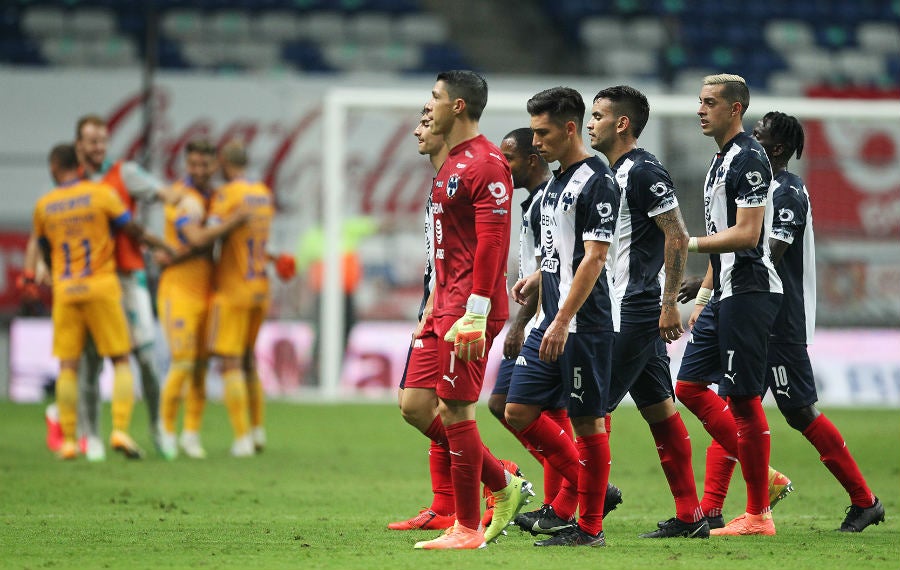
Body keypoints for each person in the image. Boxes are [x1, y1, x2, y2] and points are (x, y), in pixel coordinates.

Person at [698, 112, 884, 533]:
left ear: (777, 148)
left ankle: (865, 501)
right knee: (735, 404)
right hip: (751, 313)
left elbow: (768, 254)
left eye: (759, 135)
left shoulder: (787, 190)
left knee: (798, 411)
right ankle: (711, 509)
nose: (751, 139)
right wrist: (708, 283)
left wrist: (720, 273)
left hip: (778, 319)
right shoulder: (756, 187)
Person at [412, 70, 532, 550]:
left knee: (456, 409)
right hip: (446, 304)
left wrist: (477, 312)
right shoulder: (453, 162)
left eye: (436, 97)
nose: (429, 105)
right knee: (420, 404)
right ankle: (501, 483)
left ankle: (466, 526)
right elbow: (448, 244)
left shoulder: (486, 163)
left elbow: (492, 244)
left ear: (457, 105)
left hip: (470, 308)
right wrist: (433, 300)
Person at [585, 85, 708, 539]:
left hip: (635, 307)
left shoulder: (643, 170)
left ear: (622, 123)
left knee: (590, 406)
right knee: (659, 409)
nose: (590, 124)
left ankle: (582, 510)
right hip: (628, 305)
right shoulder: (611, 172)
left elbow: (677, 235)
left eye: (598, 115)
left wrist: (668, 303)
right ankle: (691, 516)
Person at [504, 86, 620, 547]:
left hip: (582, 324)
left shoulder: (598, 180)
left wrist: (563, 319)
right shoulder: (555, 184)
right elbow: (562, 253)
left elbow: (595, 257)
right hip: (551, 318)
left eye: (543, 133)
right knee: (517, 410)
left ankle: (590, 528)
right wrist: (538, 278)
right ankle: (595, 490)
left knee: (588, 423)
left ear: (570, 128)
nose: (535, 143)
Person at [676, 74, 783, 536]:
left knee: (741, 398)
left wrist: (687, 244)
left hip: (751, 290)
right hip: (724, 291)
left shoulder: (750, 158)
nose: (701, 110)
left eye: (710, 103)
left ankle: (758, 514)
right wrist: (703, 295)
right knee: (689, 386)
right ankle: (765, 475)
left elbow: (748, 233)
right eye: (700, 101)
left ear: (735, 109)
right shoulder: (719, 160)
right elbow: (724, 239)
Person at [24, 143, 168, 460]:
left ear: (53, 168)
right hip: (102, 286)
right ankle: (120, 430)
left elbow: (45, 248)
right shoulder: (101, 194)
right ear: (79, 166)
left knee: (68, 366)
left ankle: (69, 441)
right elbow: (130, 229)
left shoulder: (45, 205)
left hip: (66, 290)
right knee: (120, 360)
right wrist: (161, 245)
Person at [75, 114, 173, 458]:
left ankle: (158, 427)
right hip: (91, 282)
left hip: (129, 277)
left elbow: (162, 192)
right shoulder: (71, 184)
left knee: (146, 357)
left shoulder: (125, 173)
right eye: (92, 141)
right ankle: (91, 436)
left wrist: (181, 200)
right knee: (91, 360)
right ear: (79, 145)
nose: (98, 147)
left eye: (103, 140)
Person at [156, 139, 247, 460]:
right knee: (182, 362)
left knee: (201, 367)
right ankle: (165, 431)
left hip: (208, 289)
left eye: (205, 164)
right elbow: (195, 239)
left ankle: (191, 434)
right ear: (186, 164)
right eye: (193, 164)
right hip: (178, 290)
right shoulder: (182, 197)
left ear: (214, 165)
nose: (199, 170)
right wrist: (233, 222)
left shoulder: (217, 197)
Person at [388, 107, 455, 531]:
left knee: (419, 406)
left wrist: (438, 304)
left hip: (452, 307)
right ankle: (444, 506)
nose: (417, 131)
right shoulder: (439, 181)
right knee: (423, 405)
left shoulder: (461, 179)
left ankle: (499, 476)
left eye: (426, 124)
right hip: (434, 301)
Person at [206, 141, 274, 457]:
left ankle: (242, 438)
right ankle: (258, 430)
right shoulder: (263, 193)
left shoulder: (226, 195)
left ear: (223, 162)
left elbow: (210, 232)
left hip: (234, 288)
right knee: (249, 360)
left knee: (230, 362)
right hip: (260, 287)